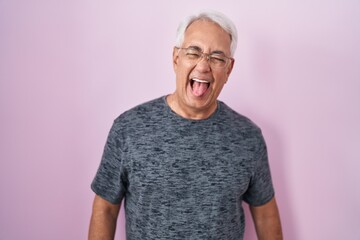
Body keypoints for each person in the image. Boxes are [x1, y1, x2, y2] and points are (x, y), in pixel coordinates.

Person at [89, 11, 282, 240]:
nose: (203, 66)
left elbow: (265, 214)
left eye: (217, 58)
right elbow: (106, 209)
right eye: (194, 52)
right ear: (176, 58)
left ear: (228, 69)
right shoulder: (128, 129)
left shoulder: (248, 137)